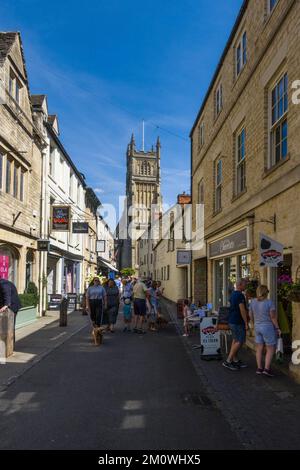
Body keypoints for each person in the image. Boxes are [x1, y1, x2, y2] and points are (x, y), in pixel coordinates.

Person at [249, 285, 281, 377]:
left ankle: (259, 368)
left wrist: (253, 322)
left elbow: (250, 314)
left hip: (257, 327)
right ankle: (266, 369)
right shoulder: (269, 302)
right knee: (270, 348)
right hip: (267, 327)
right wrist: (278, 328)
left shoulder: (253, 302)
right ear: (266, 292)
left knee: (259, 348)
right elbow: (273, 317)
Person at [223, 279, 249, 370]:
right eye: (245, 284)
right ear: (240, 285)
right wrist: (246, 322)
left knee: (235, 340)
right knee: (240, 341)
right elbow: (242, 309)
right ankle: (228, 360)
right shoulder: (239, 295)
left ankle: (235, 359)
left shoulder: (233, 294)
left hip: (232, 321)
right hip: (238, 321)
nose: (246, 286)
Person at [0, 278, 21, 348]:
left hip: (12, 308)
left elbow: (7, 294)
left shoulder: (4, 283)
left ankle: (10, 346)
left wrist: (6, 305)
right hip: (8, 307)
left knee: (9, 327)